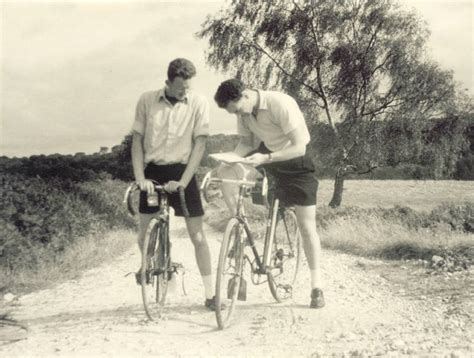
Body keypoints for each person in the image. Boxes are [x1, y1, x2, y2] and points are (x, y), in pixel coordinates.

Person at [213, 78, 325, 309]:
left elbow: (299, 146)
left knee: (306, 226)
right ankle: (239, 230)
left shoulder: (279, 103)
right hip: (268, 155)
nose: (237, 116)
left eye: (237, 110)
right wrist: (230, 161)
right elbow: (245, 143)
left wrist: (266, 158)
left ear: (244, 95)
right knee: (227, 178)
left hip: (296, 161)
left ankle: (317, 287)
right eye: (233, 113)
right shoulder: (244, 113)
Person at [131, 58, 218, 310]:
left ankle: (211, 294)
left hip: (183, 171)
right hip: (152, 171)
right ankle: (156, 263)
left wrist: (183, 181)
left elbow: (199, 145)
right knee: (144, 234)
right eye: (180, 88)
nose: (185, 92)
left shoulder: (199, 102)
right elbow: (136, 142)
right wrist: (140, 178)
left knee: (197, 235)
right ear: (168, 82)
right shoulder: (146, 100)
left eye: (188, 87)